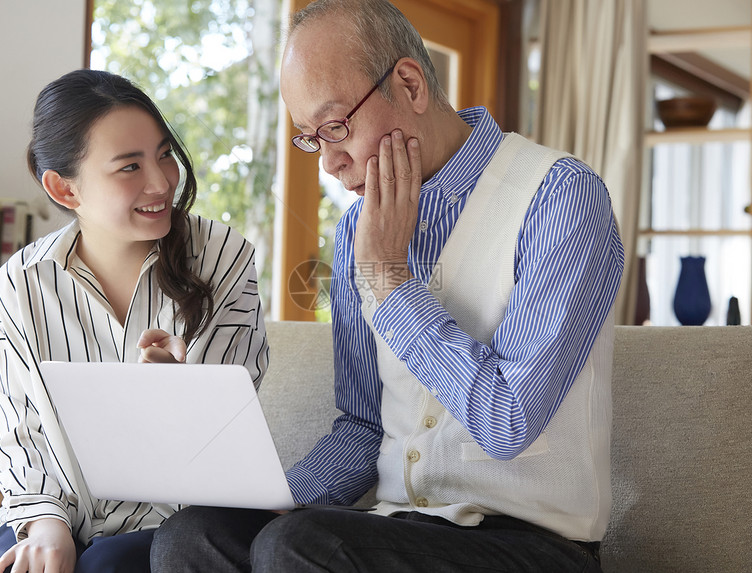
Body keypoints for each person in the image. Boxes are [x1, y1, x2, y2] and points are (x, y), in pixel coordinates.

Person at [151, 0, 624, 571]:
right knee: (191, 534)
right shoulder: (355, 228)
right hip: (393, 531)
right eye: (310, 138)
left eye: (336, 126)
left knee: (295, 547)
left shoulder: (561, 198)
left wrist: (389, 280)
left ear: (409, 84)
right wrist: (276, 502)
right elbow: (363, 425)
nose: (329, 162)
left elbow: (508, 422)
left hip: (536, 544)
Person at [0, 69, 269, 573]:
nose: (161, 182)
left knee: (106, 565)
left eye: (163, 154)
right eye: (129, 166)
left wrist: (177, 390)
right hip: (51, 510)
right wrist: (49, 527)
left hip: (175, 522)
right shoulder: (23, 282)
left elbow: (224, 440)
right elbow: (19, 430)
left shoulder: (224, 257)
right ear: (65, 190)